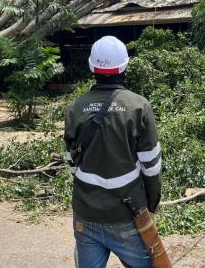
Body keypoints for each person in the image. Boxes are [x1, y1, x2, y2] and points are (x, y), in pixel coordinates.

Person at [64, 36, 162, 268]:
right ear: (124, 66)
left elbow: (72, 164)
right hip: (127, 215)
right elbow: (152, 167)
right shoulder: (139, 106)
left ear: (92, 68)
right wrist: (151, 205)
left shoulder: (75, 108)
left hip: (85, 214)